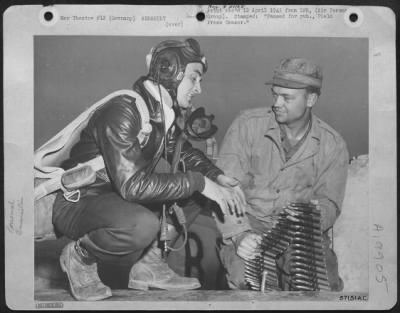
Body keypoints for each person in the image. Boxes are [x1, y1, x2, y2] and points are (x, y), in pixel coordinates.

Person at [53, 38, 246, 301]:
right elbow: (132, 186)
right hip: (81, 201)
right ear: (170, 72)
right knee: (143, 223)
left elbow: (185, 152)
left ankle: (149, 265)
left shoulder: (160, 115)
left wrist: (218, 178)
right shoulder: (124, 110)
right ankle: (80, 257)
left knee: (200, 192)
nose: (198, 89)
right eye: (194, 78)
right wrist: (201, 182)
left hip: (114, 199)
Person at [214, 58, 349, 291]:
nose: (277, 103)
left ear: (311, 100)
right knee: (249, 285)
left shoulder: (332, 144)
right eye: (275, 94)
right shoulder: (247, 125)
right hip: (250, 224)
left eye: (287, 98)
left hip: (300, 231)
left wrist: (307, 219)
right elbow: (225, 190)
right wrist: (239, 235)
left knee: (322, 288)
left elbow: (330, 203)